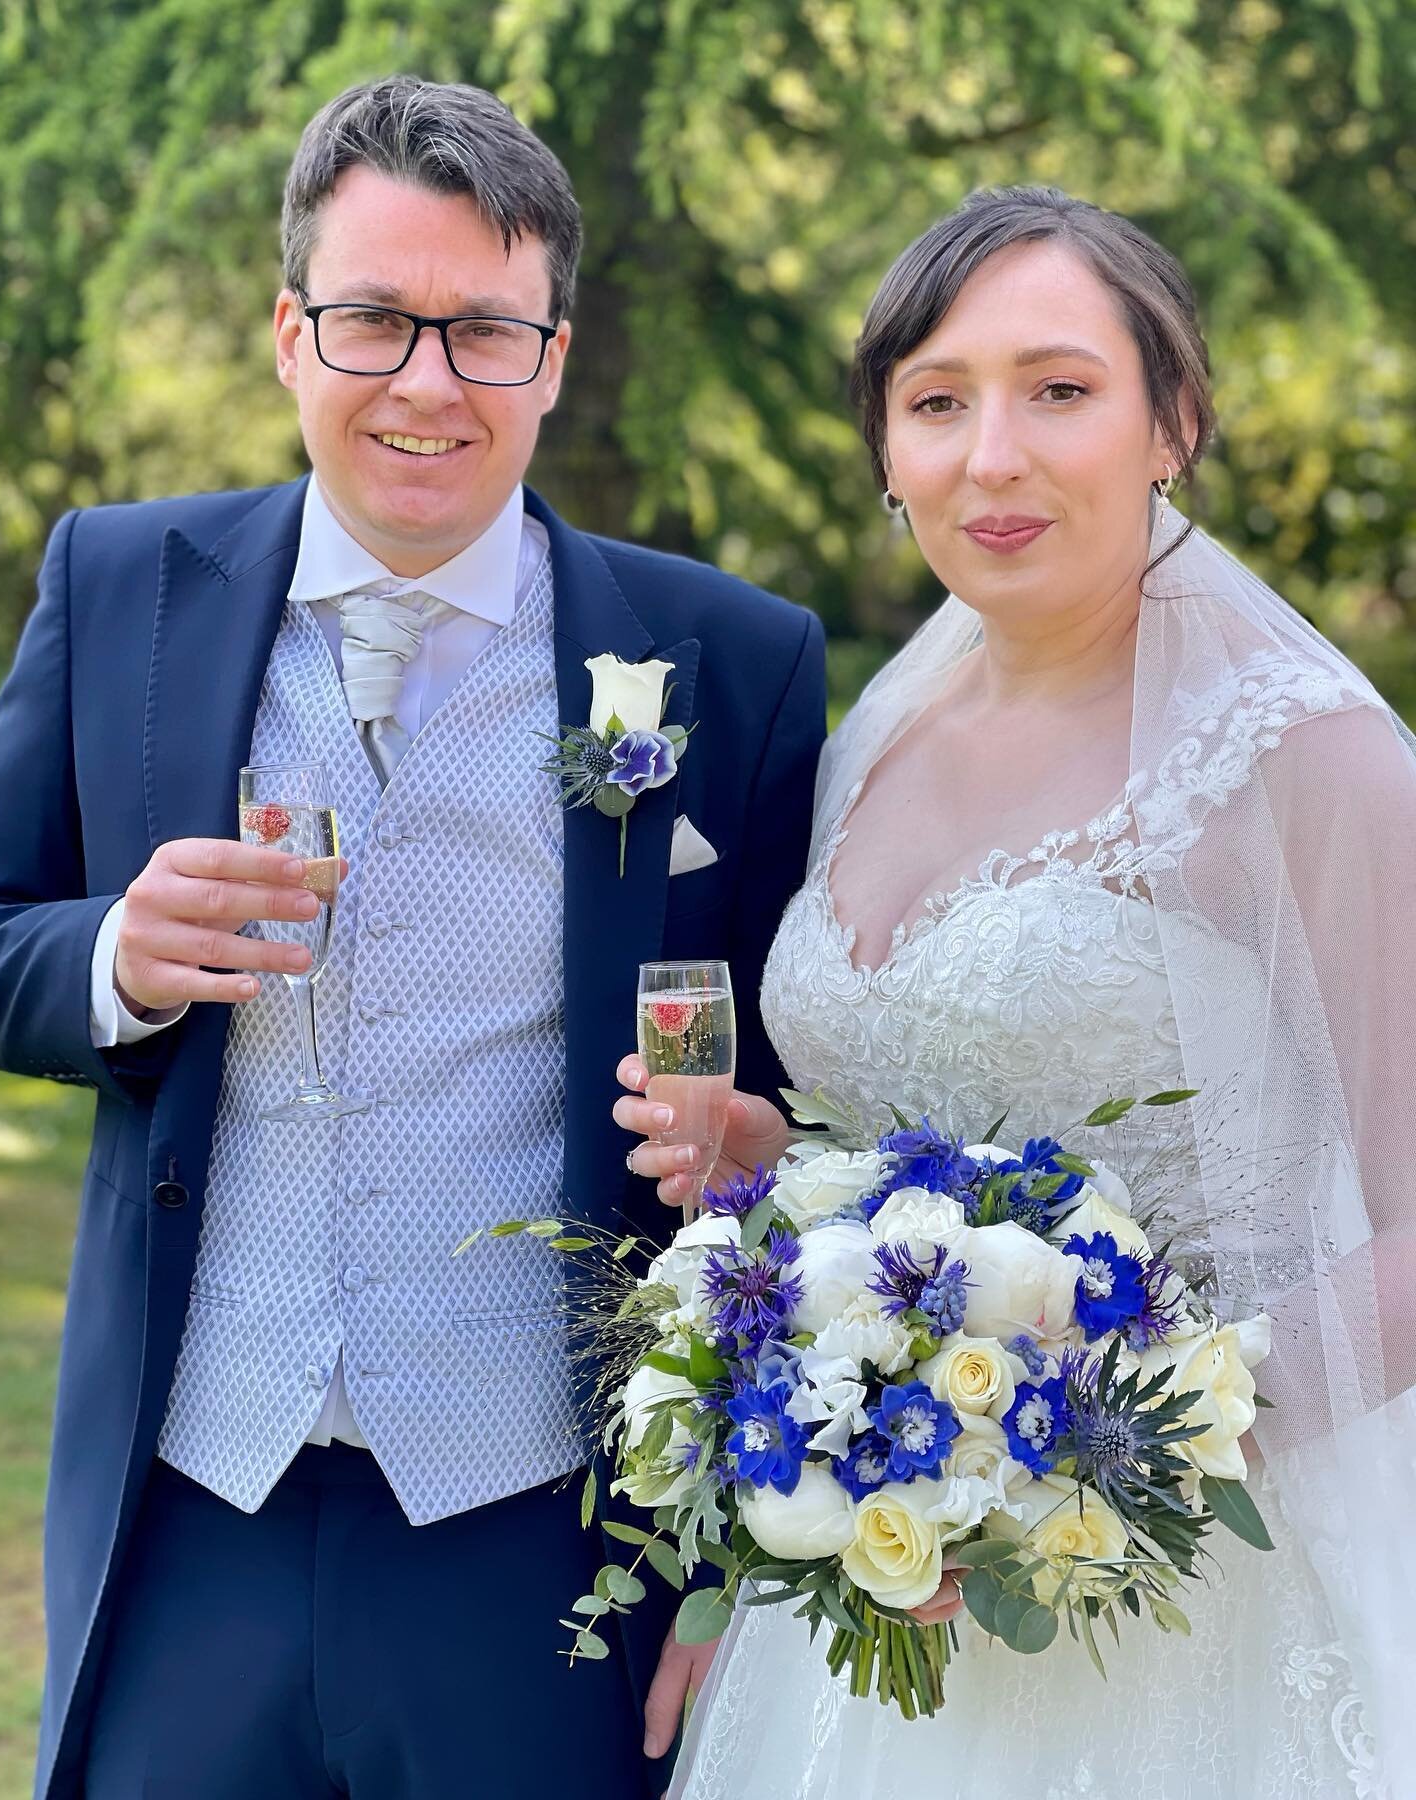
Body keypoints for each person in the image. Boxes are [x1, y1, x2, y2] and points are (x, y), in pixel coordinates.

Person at [0, 75, 825, 1800]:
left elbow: (800, 1088)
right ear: (291, 332)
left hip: (545, 1533)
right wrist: (115, 964)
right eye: (375, 320)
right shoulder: (119, 586)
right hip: (187, 1516)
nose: (427, 382)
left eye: (484, 332)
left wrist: (758, 1149)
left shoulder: (728, 659)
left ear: (553, 358)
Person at [617, 186, 1415, 1798]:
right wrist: (780, 1161)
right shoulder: (879, 735)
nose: (994, 455)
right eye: (937, 402)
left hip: (1193, 1600)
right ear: (887, 452)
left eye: (1061, 389)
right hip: (892, 1582)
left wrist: (1113, 1458)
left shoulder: (1306, 758)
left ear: (1171, 420)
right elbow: (918, 1132)